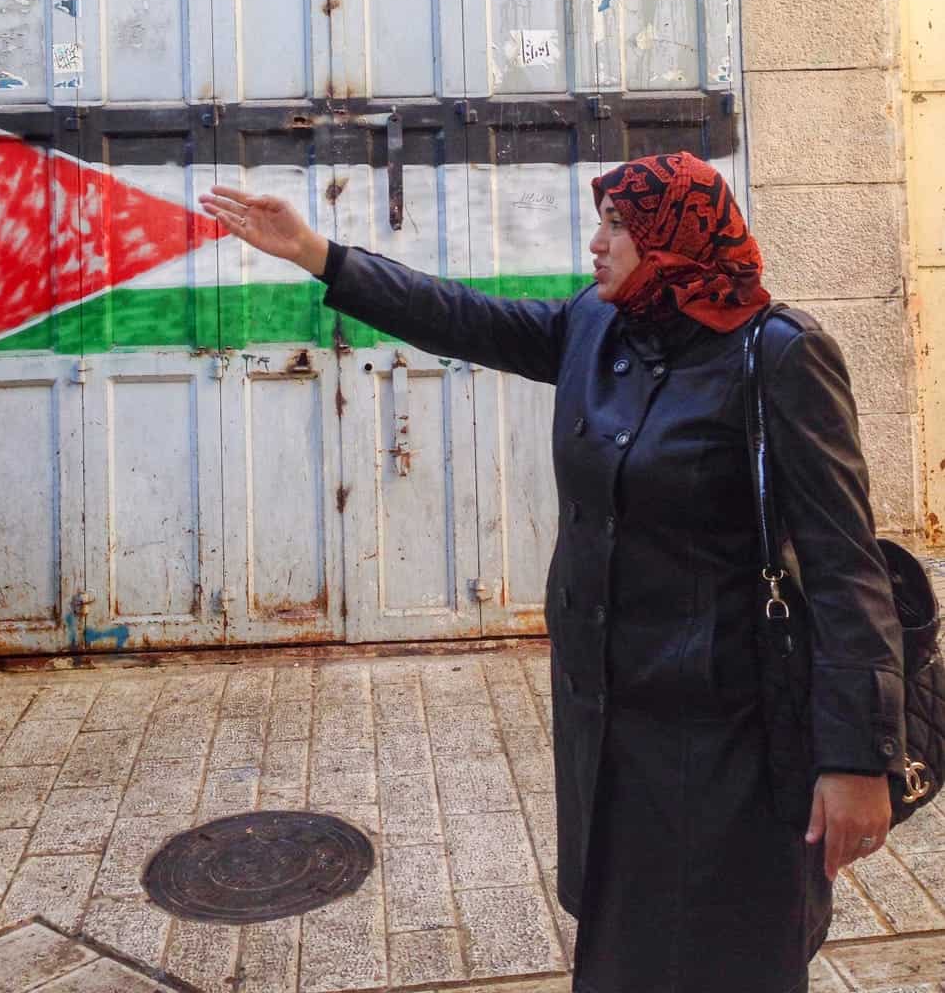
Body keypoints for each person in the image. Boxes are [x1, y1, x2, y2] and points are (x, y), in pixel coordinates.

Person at [200, 152, 904, 993]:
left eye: (616, 225)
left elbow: (842, 565)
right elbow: (468, 319)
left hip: (731, 734)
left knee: (730, 951)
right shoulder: (596, 325)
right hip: (612, 718)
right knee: (624, 951)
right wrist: (321, 254)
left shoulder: (777, 356)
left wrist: (857, 759)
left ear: (671, 238)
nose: (596, 243)